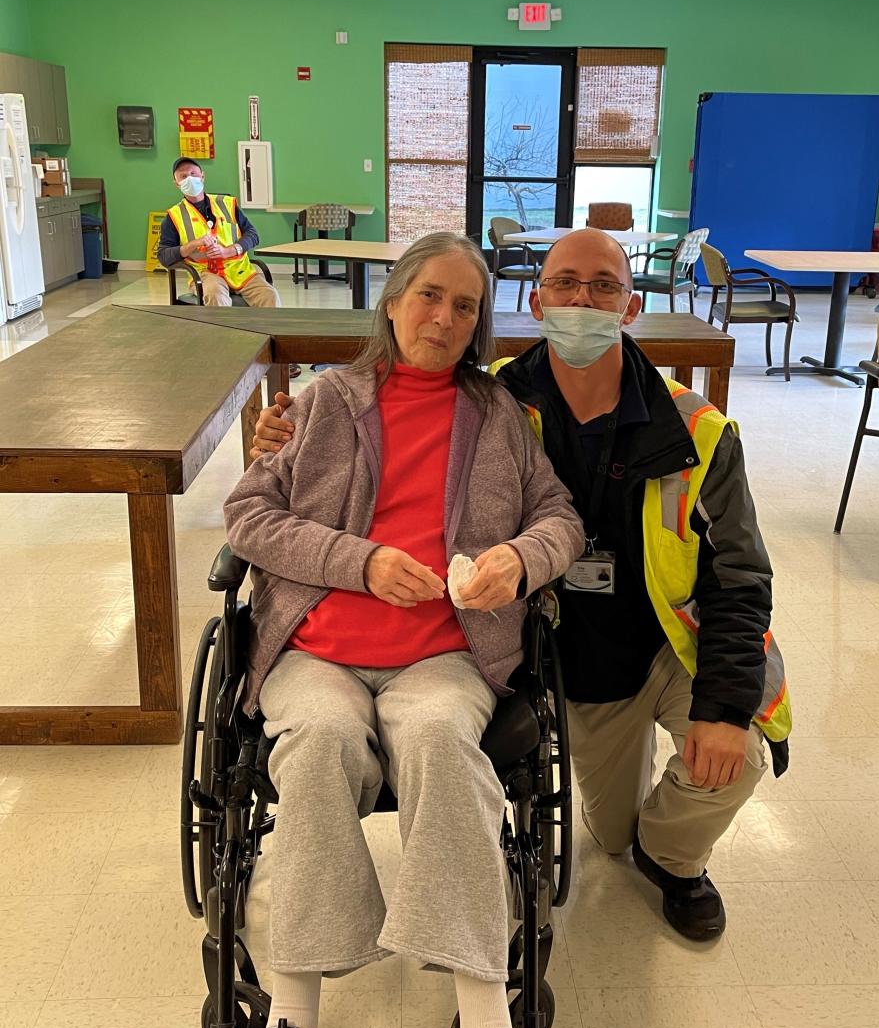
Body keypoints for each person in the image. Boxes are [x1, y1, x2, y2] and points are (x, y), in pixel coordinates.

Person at [254, 227, 792, 945]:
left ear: (631, 307)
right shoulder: (494, 400)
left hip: (663, 648)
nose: (583, 300)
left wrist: (724, 708)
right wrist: (285, 440)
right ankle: (626, 828)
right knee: (603, 833)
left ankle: (674, 861)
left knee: (733, 755)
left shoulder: (696, 429)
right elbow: (377, 421)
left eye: (605, 286)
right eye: (565, 284)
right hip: (555, 658)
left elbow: (741, 579)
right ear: (535, 301)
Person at [222, 231, 583, 1028]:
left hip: (442, 655)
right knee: (320, 747)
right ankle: (290, 1026)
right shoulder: (324, 403)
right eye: (429, 296)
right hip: (320, 652)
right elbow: (248, 517)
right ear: (392, 302)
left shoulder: (497, 413)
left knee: (438, 746)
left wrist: (517, 557)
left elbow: (561, 520)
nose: (445, 319)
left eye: (465, 306)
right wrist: (363, 561)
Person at [157, 158, 280, 310]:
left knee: (269, 295)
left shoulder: (227, 204)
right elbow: (163, 256)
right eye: (183, 176)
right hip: (206, 274)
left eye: (193, 173)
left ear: (202, 176)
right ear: (176, 183)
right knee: (216, 294)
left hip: (240, 270)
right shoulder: (174, 216)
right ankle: (225, 334)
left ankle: (268, 334)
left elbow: (252, 235)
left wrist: (230, 250)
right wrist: (193, 245)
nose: (189, 178)